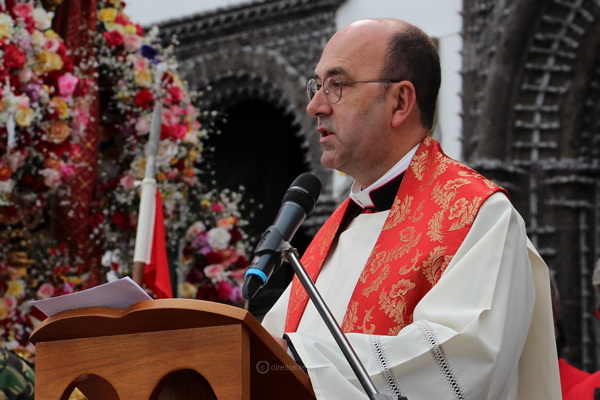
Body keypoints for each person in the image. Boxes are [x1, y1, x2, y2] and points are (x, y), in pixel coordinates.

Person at [261, 18, 561, 399]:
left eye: (337, 85)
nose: (315, 105)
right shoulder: (337, 230)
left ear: (400, 101)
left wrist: (303, 358)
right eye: (316, 85)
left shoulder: (477, 216)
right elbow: (264, 351)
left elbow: (459, 363)